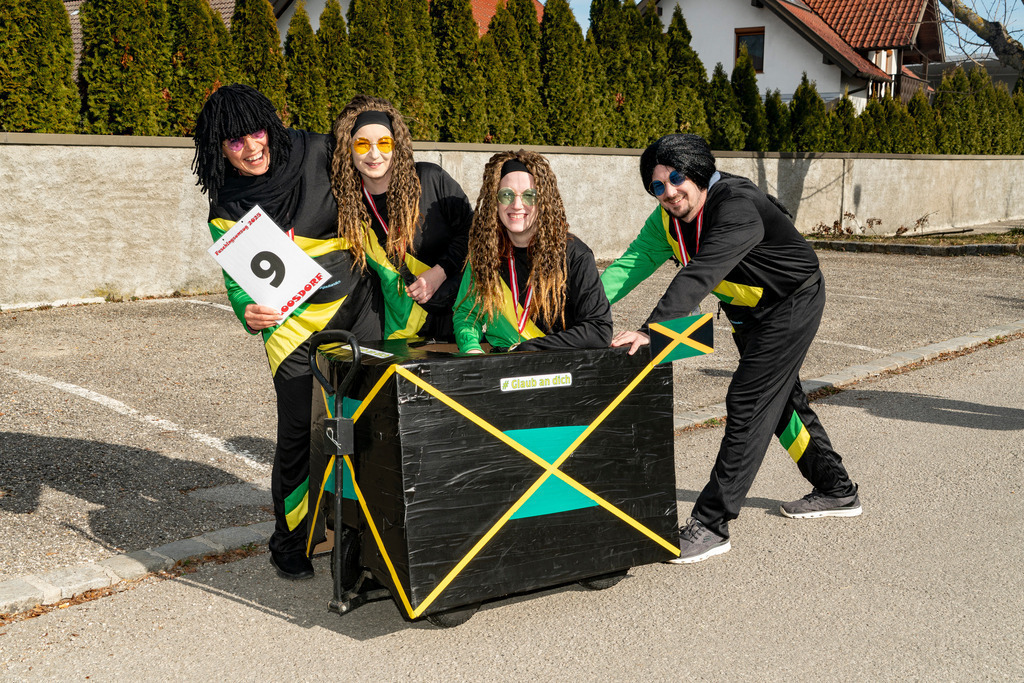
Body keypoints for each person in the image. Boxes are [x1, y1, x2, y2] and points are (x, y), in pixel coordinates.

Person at [601, 133, 861, 564]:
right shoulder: (666, 221)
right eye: (657, 186)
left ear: (699, 171)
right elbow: (629, 266)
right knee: (779, 405)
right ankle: (837, 490)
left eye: (676, 178)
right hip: (746, 310)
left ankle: (711, 523)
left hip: (791, 301)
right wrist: (579, 312)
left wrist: (651, 330)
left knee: (749, 400)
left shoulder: (736, 205)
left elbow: (699, 275)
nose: (668, 192)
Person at [193, 84, 381, 581]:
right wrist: (246, 309)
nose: (252, 148)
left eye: (257, 133)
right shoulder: (226, 203)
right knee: (300, 435)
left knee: (373, 424)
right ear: (218, 149)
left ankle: (369, 535)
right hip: (292, 331)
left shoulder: (321, 150)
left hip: (358, 308)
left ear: (270, 125)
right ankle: (291, 540)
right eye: (235, 143)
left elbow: (383, 176)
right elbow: (239, 283)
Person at [331, 95, 473, 341]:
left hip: (456, 317)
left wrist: (440, 271)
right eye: (362, 144)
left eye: (384, 143)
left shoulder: (429, 179)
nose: (374, 154)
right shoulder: (347, 203)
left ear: (397, 145)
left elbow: (473, 232)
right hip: (399, 330)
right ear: (348, 148)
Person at [454, 150, 612, 353]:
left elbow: (598, 329)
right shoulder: (484, 253)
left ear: (544, 201)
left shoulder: (575, 255)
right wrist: (471, 350)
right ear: (495, 199)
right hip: (502, 367)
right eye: (506, 195)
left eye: (530, 196)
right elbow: (466, 315)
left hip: (559, 369)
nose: (517, 205)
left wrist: (528, 349)